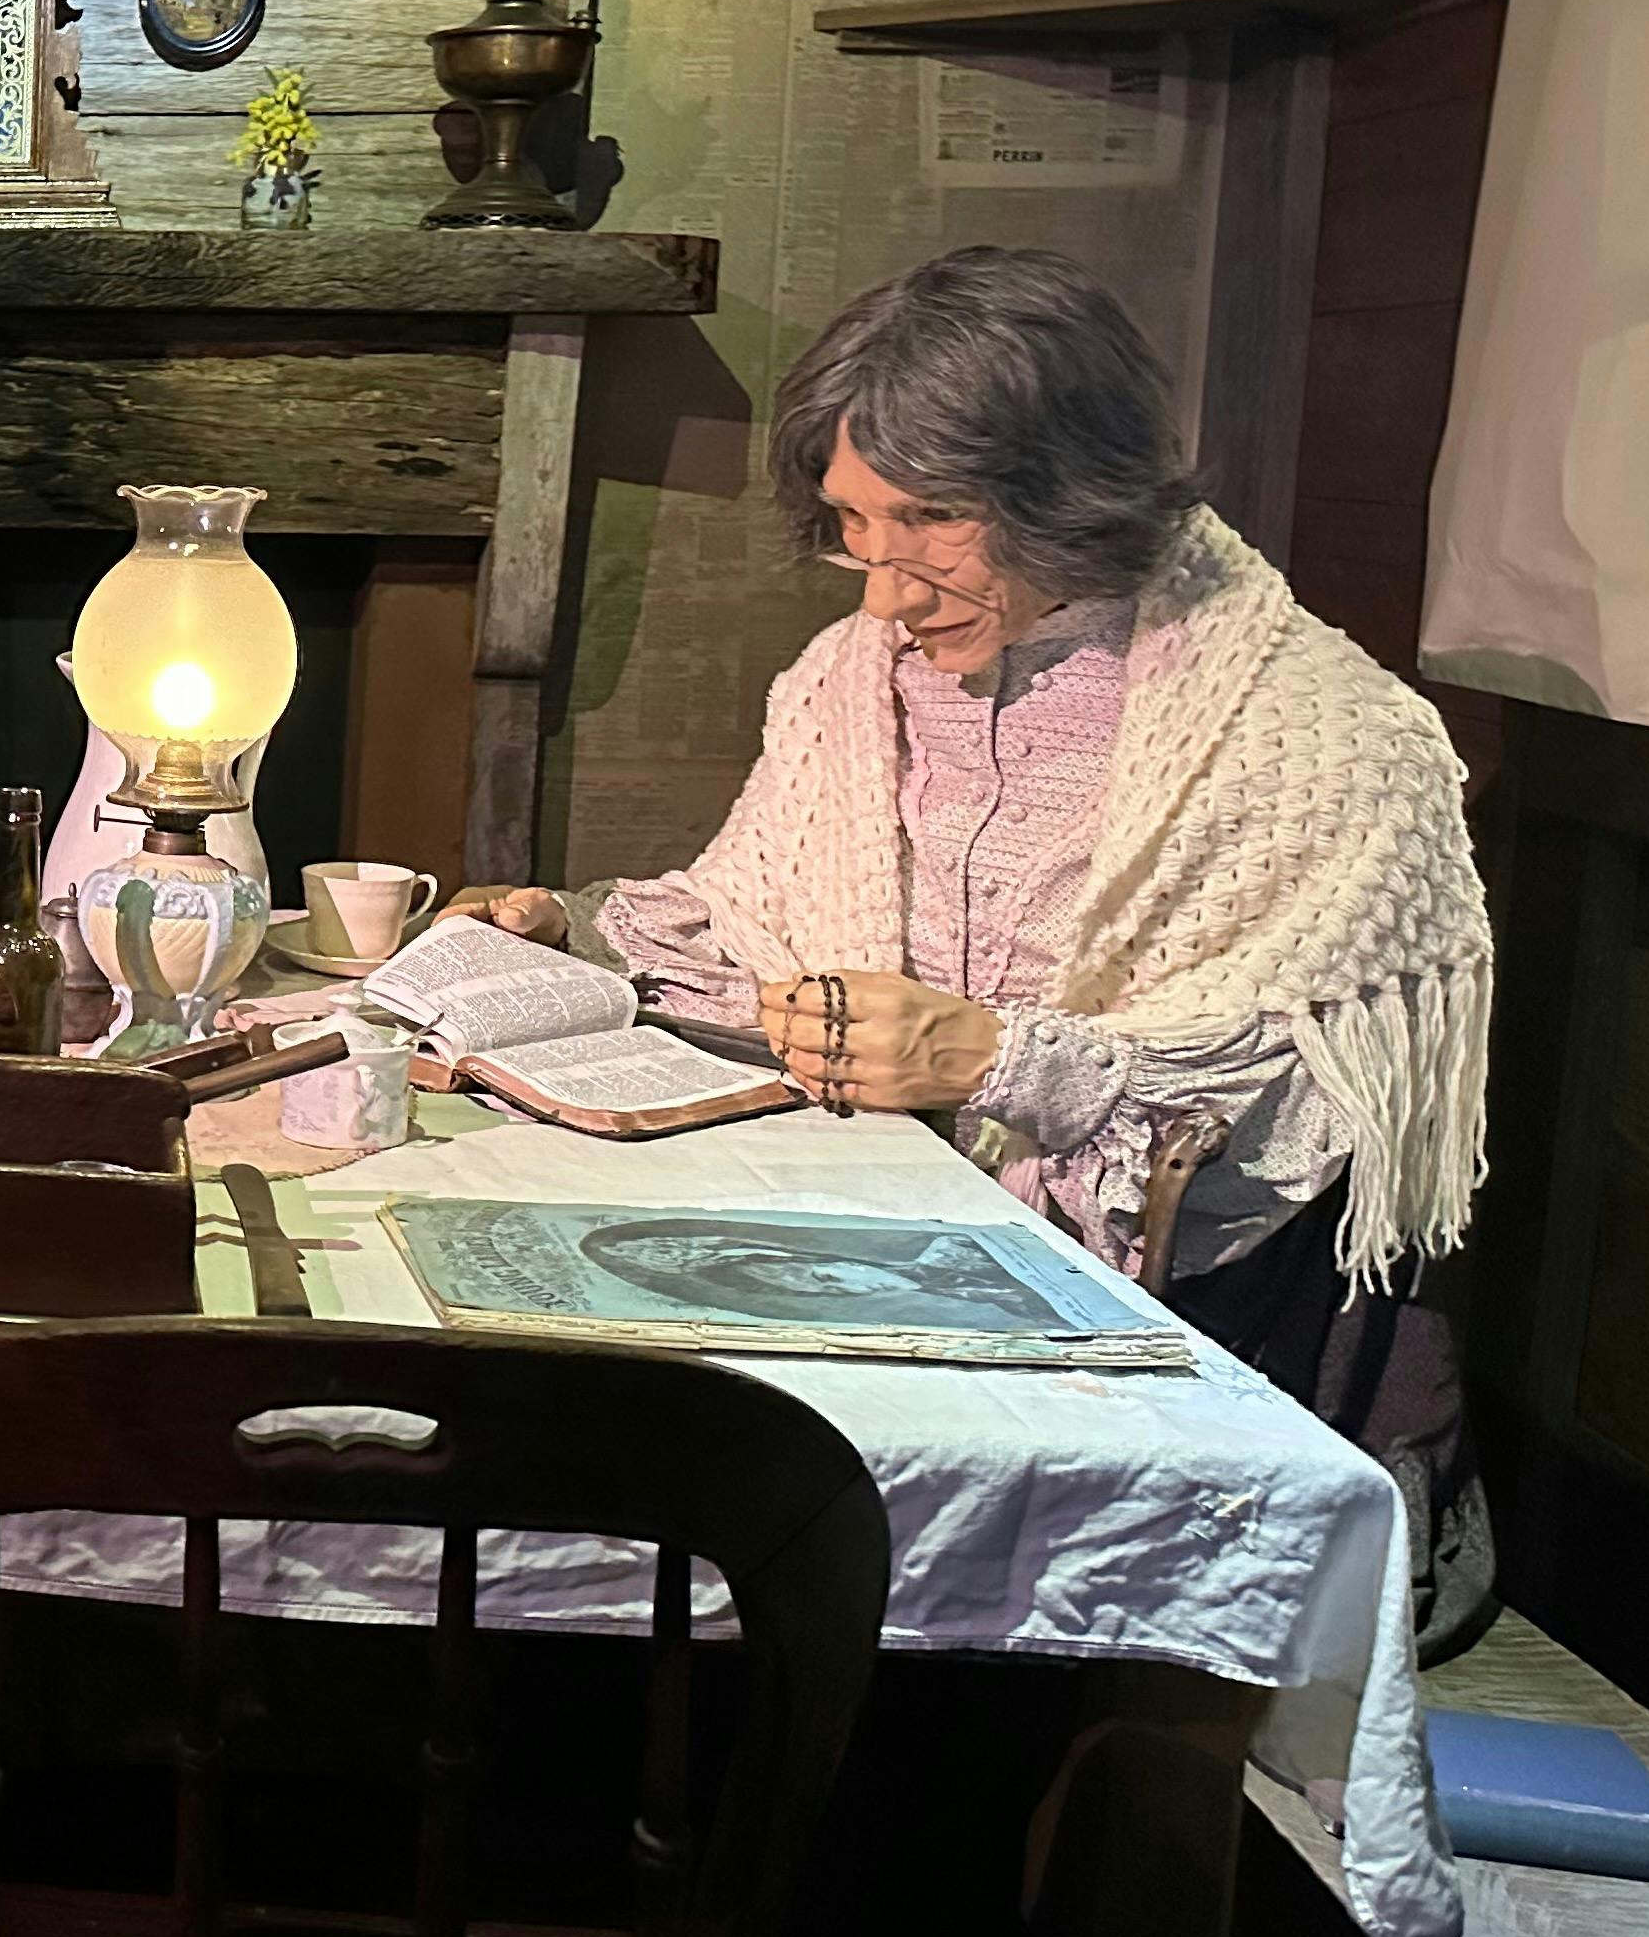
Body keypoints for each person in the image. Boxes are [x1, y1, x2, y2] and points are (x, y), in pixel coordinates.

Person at [459, 243, 1495, 1636]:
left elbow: (1300, 1082)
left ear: (1068, 493)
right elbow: (754, 920)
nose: (881, 591)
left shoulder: (1322, 732)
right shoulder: (849, 678)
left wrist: (1008, 1058)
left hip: (1181, 1326)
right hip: (885, 1246)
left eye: (930, 522)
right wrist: (571, 929)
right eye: (850, 524)